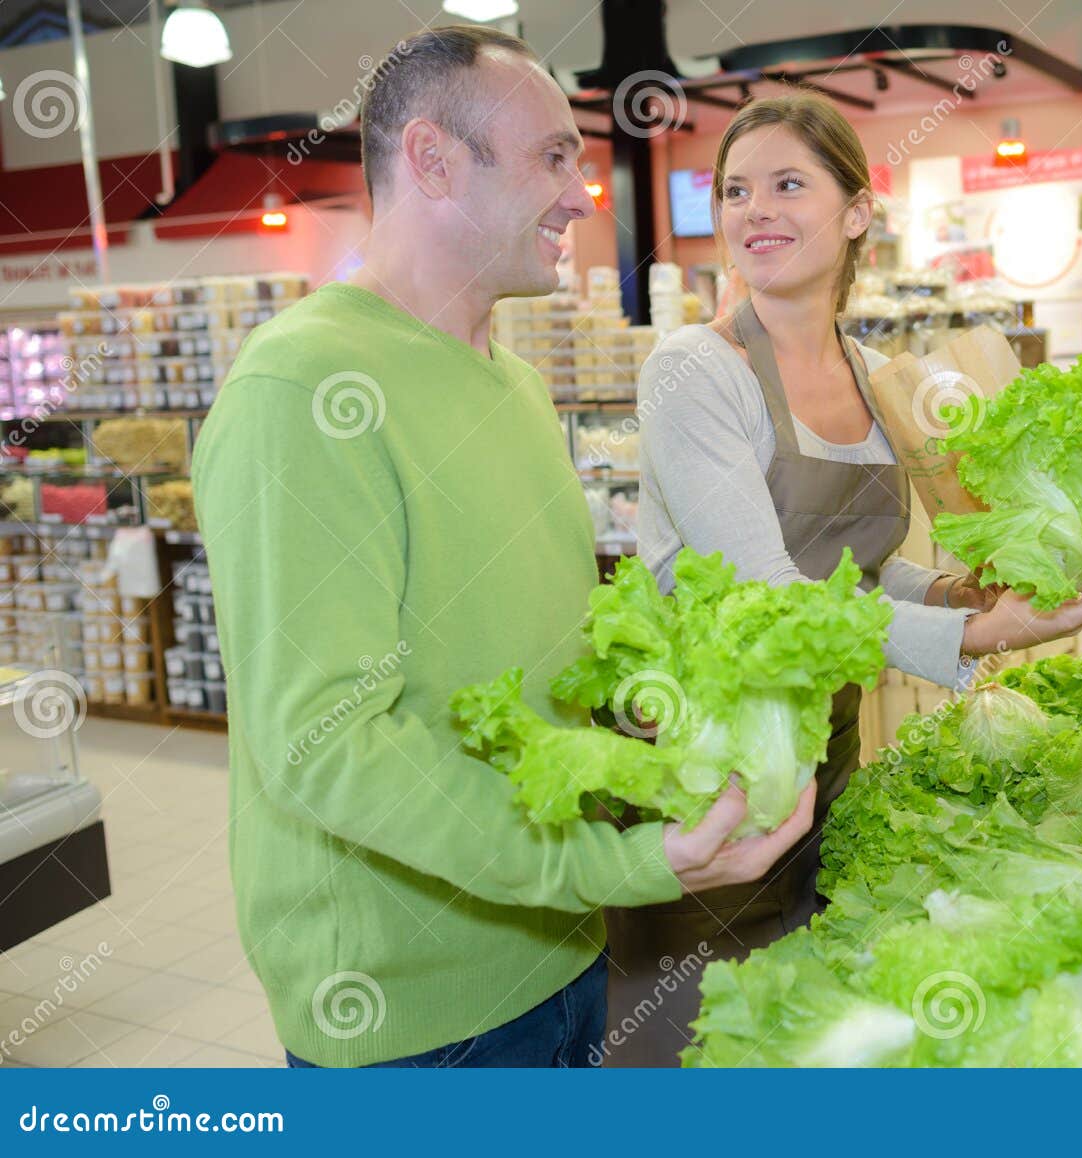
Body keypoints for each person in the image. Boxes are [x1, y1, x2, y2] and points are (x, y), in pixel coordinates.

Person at [191, 26, 814, 1070]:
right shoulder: (300, 391)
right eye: (551, 156)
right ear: (432, 160)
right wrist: (625, 864)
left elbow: (545, 655)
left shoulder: (515, 381)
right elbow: (327, 743)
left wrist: (668, 725)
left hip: (564, 950)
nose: (579, 192)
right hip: (416, 1019)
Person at [610, 92, 1082, 1066]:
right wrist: (963, 640)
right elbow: (766, 589)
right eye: (735, 190)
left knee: (801, 1013)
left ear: (858, 211)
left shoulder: (873, 373)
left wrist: (947, 592)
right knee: (699, 1036)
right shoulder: (696, 369)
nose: (754, 209)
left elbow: (849, 563)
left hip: (824, 742)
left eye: (786, 184)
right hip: (708, 756)